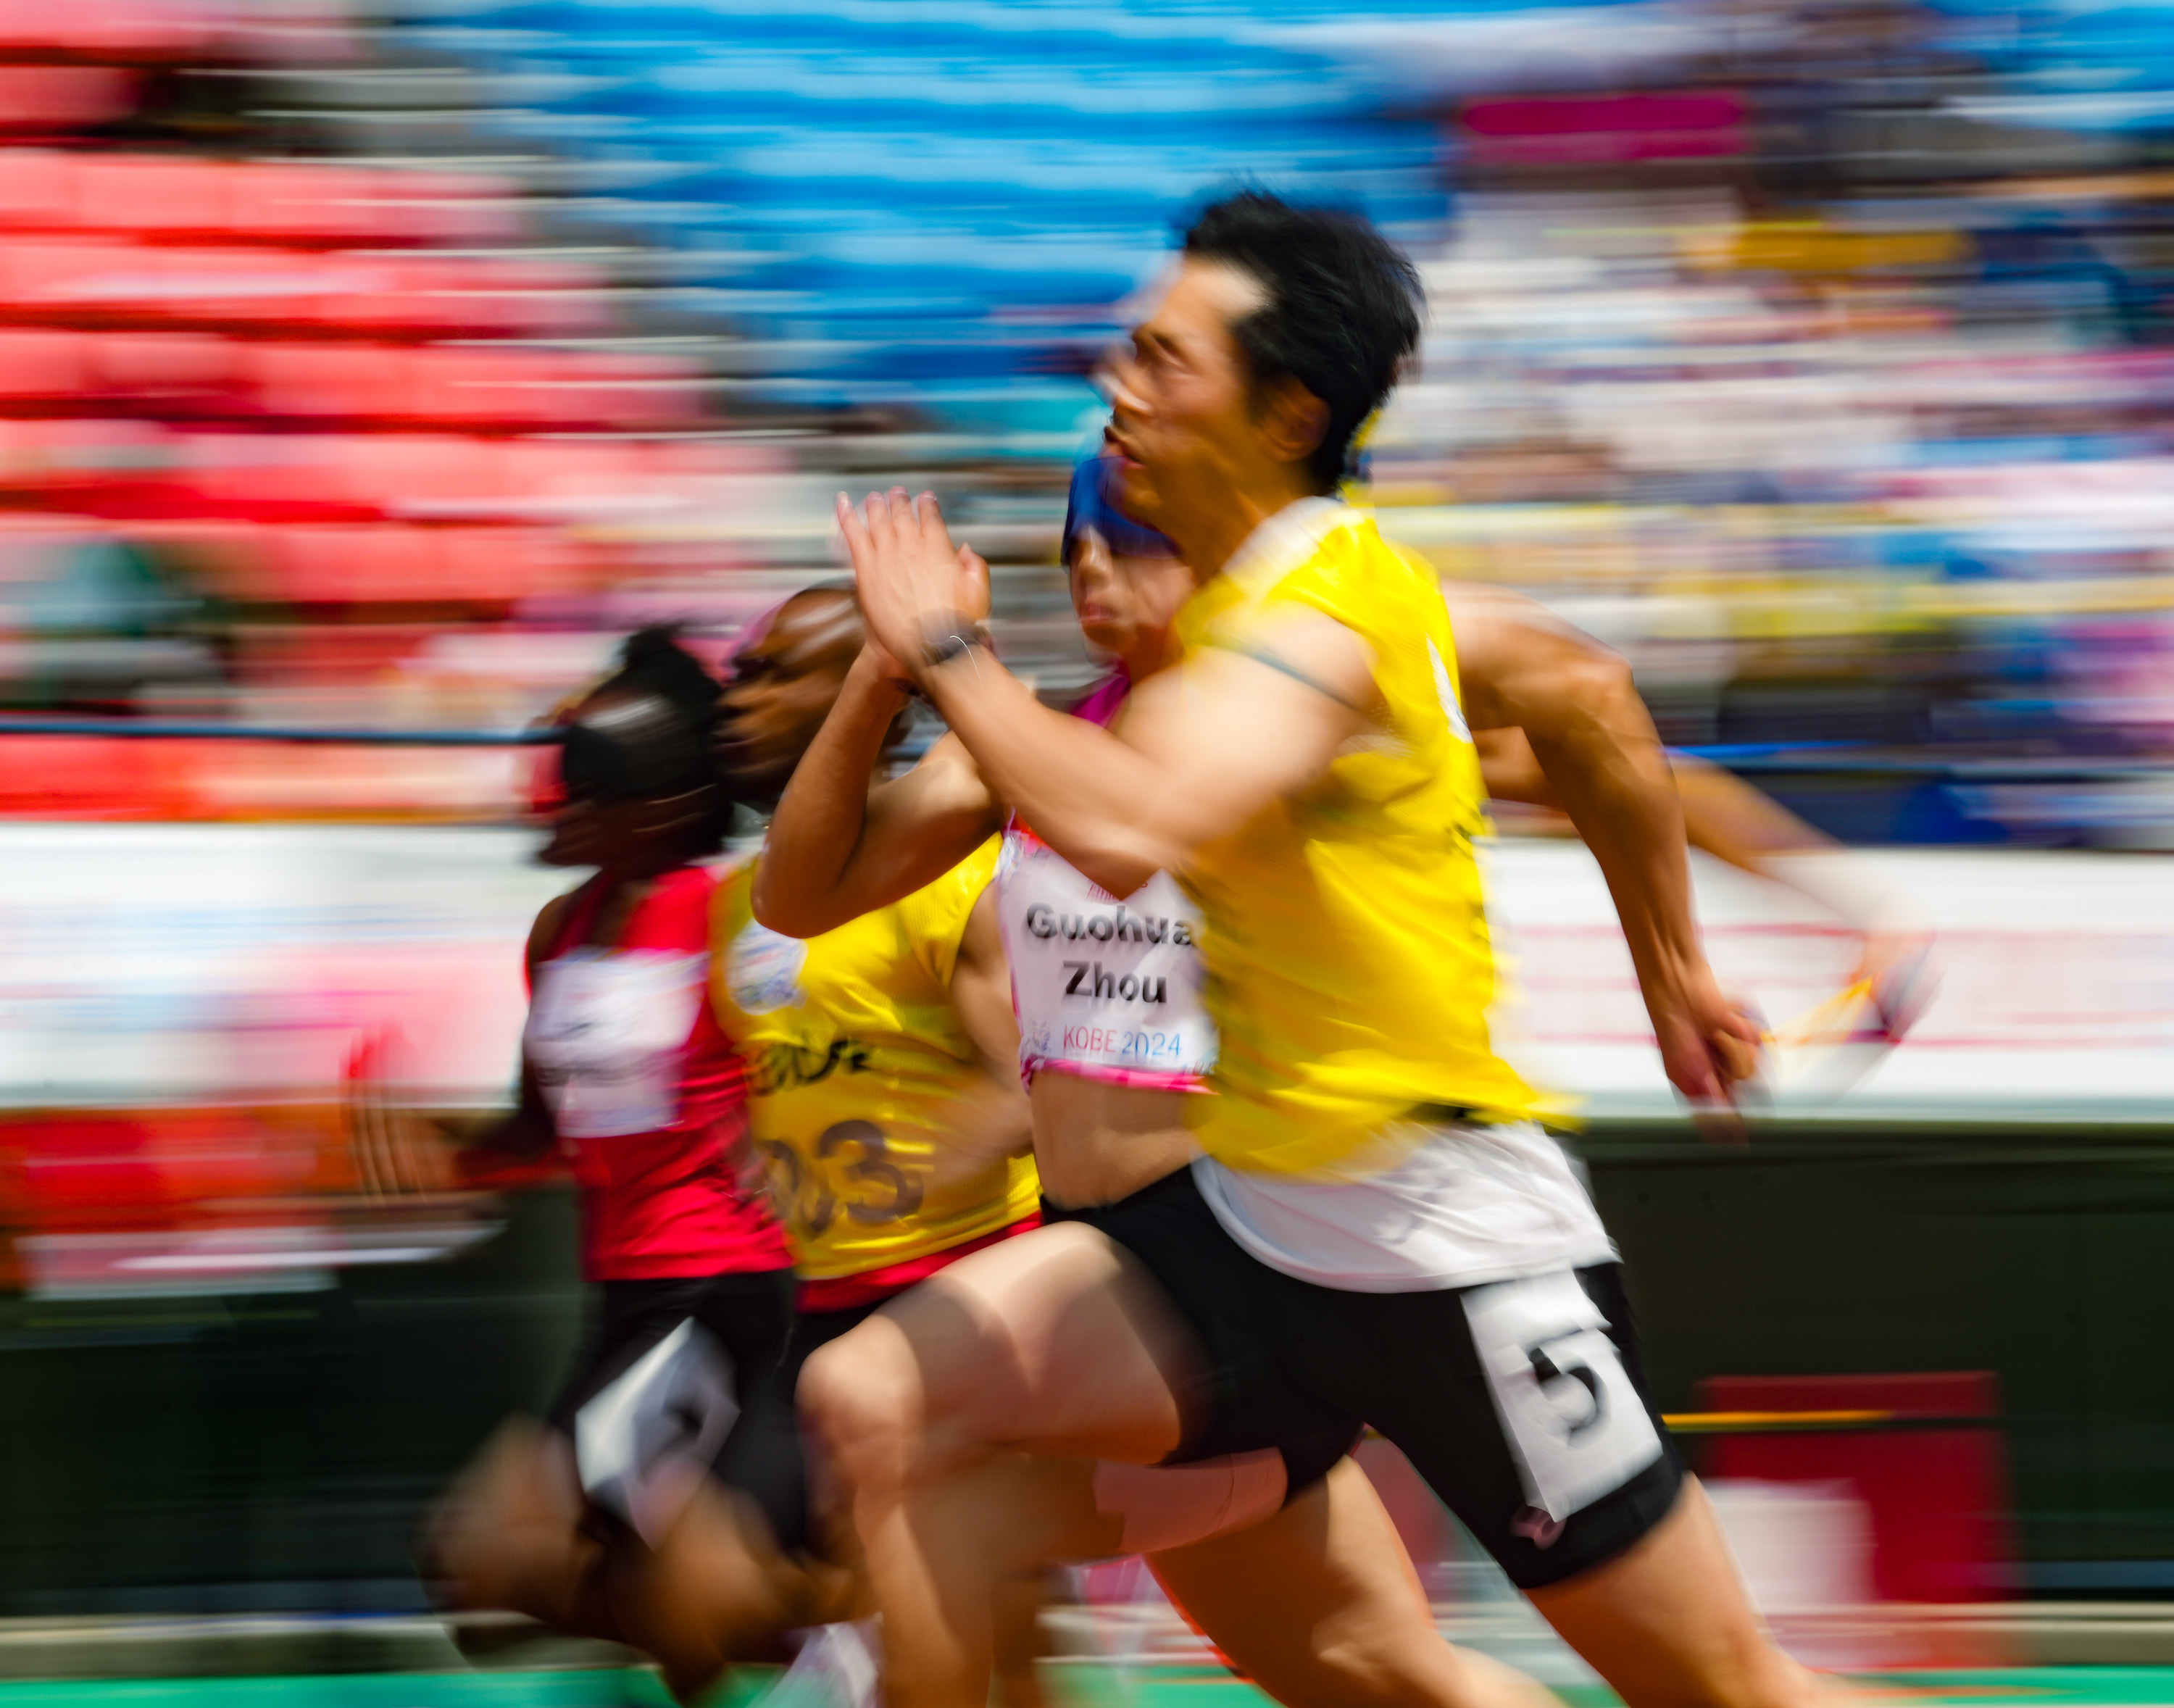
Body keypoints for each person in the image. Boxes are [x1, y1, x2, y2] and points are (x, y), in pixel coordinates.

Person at [767, 190, 1836, 1708]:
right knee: (873, 1398)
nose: (1117, 388)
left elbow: (1580, 700)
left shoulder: (1335, 607)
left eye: (1163, 358)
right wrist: (891, 671)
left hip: (1436, 1241)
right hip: (1223, 1245)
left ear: (1287, 415)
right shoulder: (1084, 716)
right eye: (1080, 543)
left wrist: (1677, 964)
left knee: (1724, 1694)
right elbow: (803, 895)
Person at [373, 628, 800, 1672]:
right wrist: (433, 1150)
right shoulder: (559, 932)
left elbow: (800, 1075)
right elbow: (537, 1134)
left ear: (654, 800)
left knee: (527, 1561)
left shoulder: (731, 914)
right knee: (496, 1589)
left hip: (727, 1292)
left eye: (584, 781)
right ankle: (831, 1627)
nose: (555, 799)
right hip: (620, 1302)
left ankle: (872, 1628)